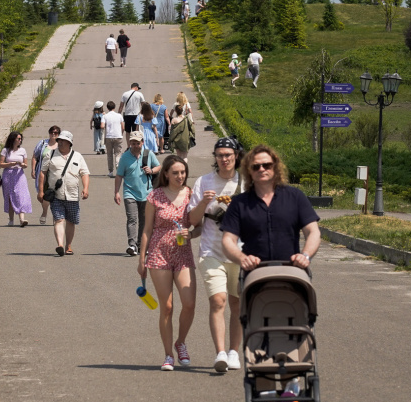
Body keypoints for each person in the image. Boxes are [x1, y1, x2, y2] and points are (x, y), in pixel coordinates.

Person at [188, 138, 244, 373]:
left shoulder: (246, 182)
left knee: (237, 303)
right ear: (215, 157)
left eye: (228, 155)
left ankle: (233, 352)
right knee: (218, 300)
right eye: (220, 155)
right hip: (211, 250)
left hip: (242, 251)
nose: (224, 159)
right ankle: (220, 352)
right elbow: (192, 220)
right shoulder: (204, 182)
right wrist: (204, 202)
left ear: (236, 156)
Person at [220, 144, 321, 275]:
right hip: (254, 274)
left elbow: (313, 231)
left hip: (291, 272)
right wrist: (242, 259)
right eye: (255, 167)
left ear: (275, 167)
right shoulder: (239, 203)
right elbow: (228, 239)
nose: (261, 169)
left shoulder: (295, 196)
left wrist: (305, 256)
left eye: (267, 165)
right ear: (249, 171)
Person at [137, 155, 195, 371]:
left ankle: (181, 342)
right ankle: (168, 354)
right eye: (176, 173)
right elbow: (147, 229)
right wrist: (141, 258)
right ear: (166, 174)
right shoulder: (155, 196)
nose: (180, 176)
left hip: (183, 254)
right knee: (167, 307)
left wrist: (191, 233)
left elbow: (199, 225)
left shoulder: (191, 194)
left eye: (183, 172)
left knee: (189, 303)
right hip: (159, 254)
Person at [38, 130, 90, 256]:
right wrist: (40, 191)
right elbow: (43, 172)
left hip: (72, 195)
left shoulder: (77, 156)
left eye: (63, 141)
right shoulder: (50, 155)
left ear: (69, 143)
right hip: (55, 194)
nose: (60, 143)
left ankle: (69, 245)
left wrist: (86, 188)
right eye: (59, 141)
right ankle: (60, 245)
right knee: (59, 219)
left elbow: (84, 173)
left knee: (71, 221)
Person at [114, 130, 160, 256]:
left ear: (142, 143)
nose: (135, 146)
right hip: (130, 193)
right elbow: (119, 176)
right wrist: (116, 192)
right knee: (132, 219)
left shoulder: (148, 154)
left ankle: (141, 245)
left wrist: (151, 170)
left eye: (137, 143)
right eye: (132, 143)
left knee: (144, 220)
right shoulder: (125, 157)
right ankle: (132, 245)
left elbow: (159, 166)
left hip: (146, 193)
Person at [0, 131, 32, 227]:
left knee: (20, 196)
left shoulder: (22, 150)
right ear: (13, 139)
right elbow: (1, 164)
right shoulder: (5, 150)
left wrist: (22, 165)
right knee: (9, 197)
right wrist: (10, 164)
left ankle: (22, 219)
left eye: (21, 139)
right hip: (8, 175)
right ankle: (11, 220)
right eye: (18, 138)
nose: (20, 140)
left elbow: (26, 165)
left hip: (19, 175)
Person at [31, 126, 60, 225]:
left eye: (56, 133)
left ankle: (54, 215)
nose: (53, 134)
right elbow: (35, 156)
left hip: (55, 174)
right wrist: (33, 170)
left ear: (58, 134)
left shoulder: (61, 145)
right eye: (52, 132)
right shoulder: (43, 143)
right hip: (43, 172)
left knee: (55, 195)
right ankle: (45, 211)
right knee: (42, 195)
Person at [103, 101, 125, 178]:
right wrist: (121, 134)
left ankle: (110, 171)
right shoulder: (119, 116)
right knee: (118, 154)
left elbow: (102, 126)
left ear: (107, 108)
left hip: (109, 136)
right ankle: (118, 169)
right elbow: (123, 127)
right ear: (114, 107)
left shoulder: (105, 116)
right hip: (118, 136)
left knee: (109, 155)